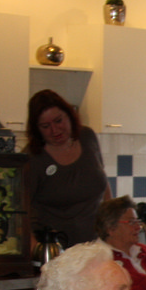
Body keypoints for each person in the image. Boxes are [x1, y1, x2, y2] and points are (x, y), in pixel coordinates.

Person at [24, 89, 111, 248]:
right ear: (37, 130)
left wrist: (112, 225)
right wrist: (35, 248)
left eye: (58, 121)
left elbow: (103, 182)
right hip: (56, 251)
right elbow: (20, 211)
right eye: (45, 126)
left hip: (96, 246)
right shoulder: (32, 158)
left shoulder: (87, 137)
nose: (54, 130)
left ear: (69, 115)